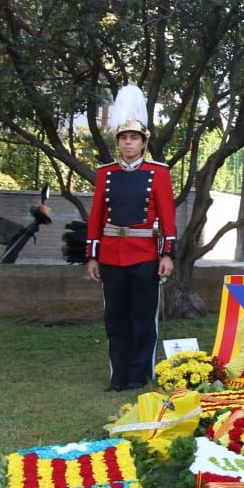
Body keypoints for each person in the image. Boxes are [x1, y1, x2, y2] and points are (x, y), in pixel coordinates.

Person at [86, 86, 177, 392]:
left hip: (145, 254)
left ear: (143, 143)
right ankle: (118, 374)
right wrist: (92, 256)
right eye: (124, 138)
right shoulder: (106, 174)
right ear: (118, 142)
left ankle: (139, 374)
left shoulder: (158, 173)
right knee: (115, 318)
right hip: (111, 255)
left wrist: (167, 255)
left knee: (142, 318)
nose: (129, 143)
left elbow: (167, 218)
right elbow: (96, 217)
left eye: (134, 138)